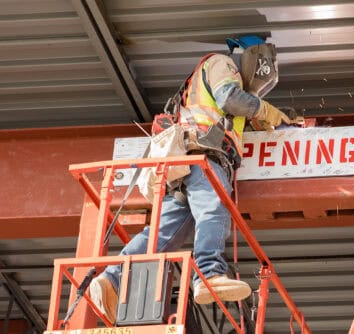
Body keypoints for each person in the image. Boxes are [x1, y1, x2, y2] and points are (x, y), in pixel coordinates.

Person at [89, 36, 292, 324]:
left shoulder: (222, 79)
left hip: (188, 161)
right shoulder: (222, 64)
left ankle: (111, 278)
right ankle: (210, 273)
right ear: (251, 56)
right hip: (204, 155)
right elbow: (229, 98)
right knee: (214, 208)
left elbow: (234, 110)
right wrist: (264, 108)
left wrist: (275, 119)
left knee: (165, 234)